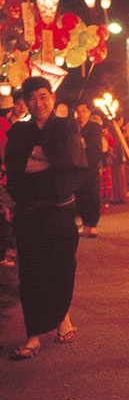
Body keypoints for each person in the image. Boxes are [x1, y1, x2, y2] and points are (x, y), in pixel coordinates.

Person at [6, 77, 88, 358]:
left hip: (60, 211)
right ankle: (33, 336)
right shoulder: (19, 130)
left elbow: (69, 159)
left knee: (62, 267)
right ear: (25, 102)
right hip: (30, 213)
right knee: (31, 274)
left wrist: (38, 156)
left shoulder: (67, 126)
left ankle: (61, 317)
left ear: (52, 97)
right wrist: (47, 158)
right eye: (32, 98)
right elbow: (16, 167)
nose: (38, 103)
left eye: (43, 96)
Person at [74, 102, 104, 238]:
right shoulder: (73, 128)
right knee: (80, 197)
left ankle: (92, 225)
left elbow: (96, 148)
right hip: (77, 169)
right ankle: (85, 223)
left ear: (89, 112)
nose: (81, 115)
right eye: (78, 111)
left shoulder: (94, 127)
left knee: (93, 196)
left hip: (91, 168)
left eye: (84, 111)